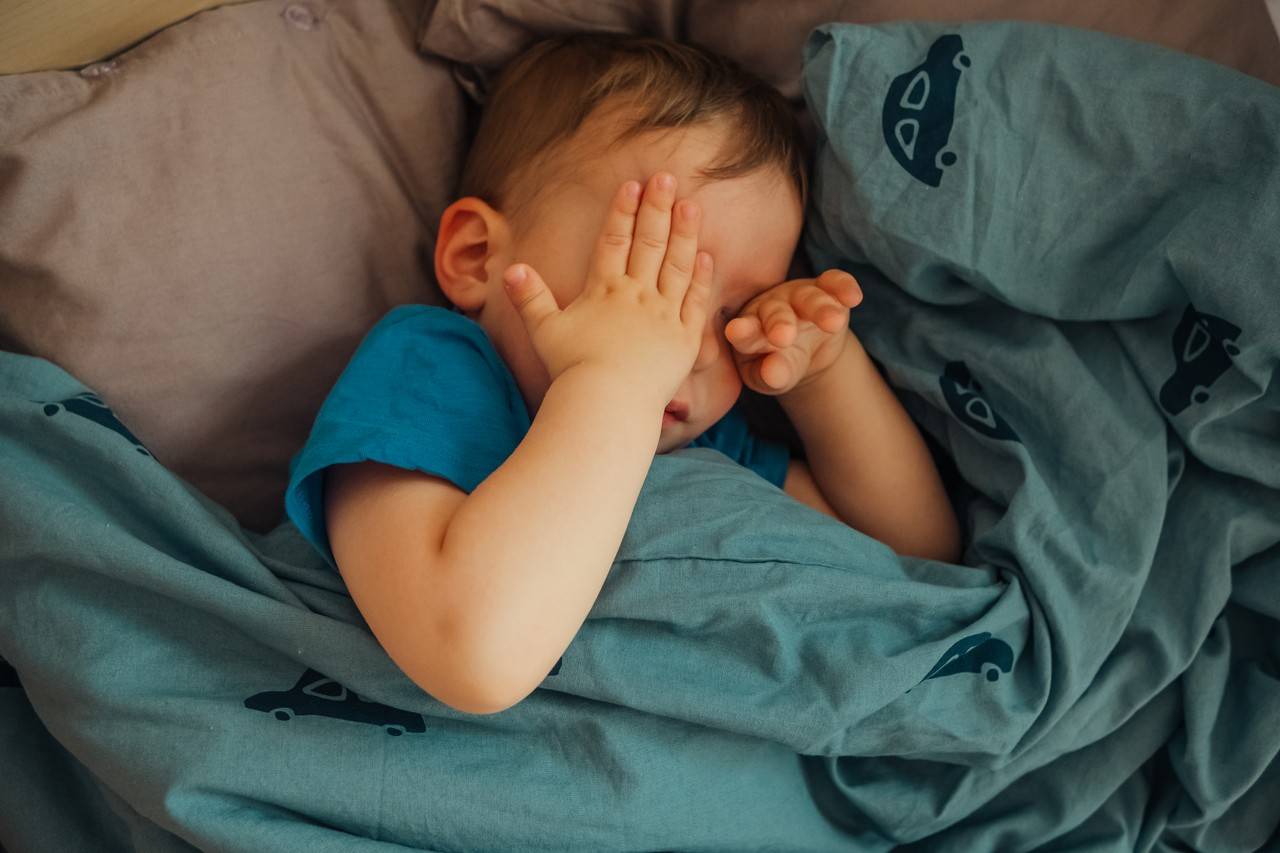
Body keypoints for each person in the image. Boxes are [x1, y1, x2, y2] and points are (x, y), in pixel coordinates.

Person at [284, 33, 961, 716]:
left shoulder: (694, 449)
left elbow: (914, 552)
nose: (690, 347)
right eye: (647, 276)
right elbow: (471, 656)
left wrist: (825, 374)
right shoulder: (428, 369)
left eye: (734, 311)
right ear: (477, 255)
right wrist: (612, 383)